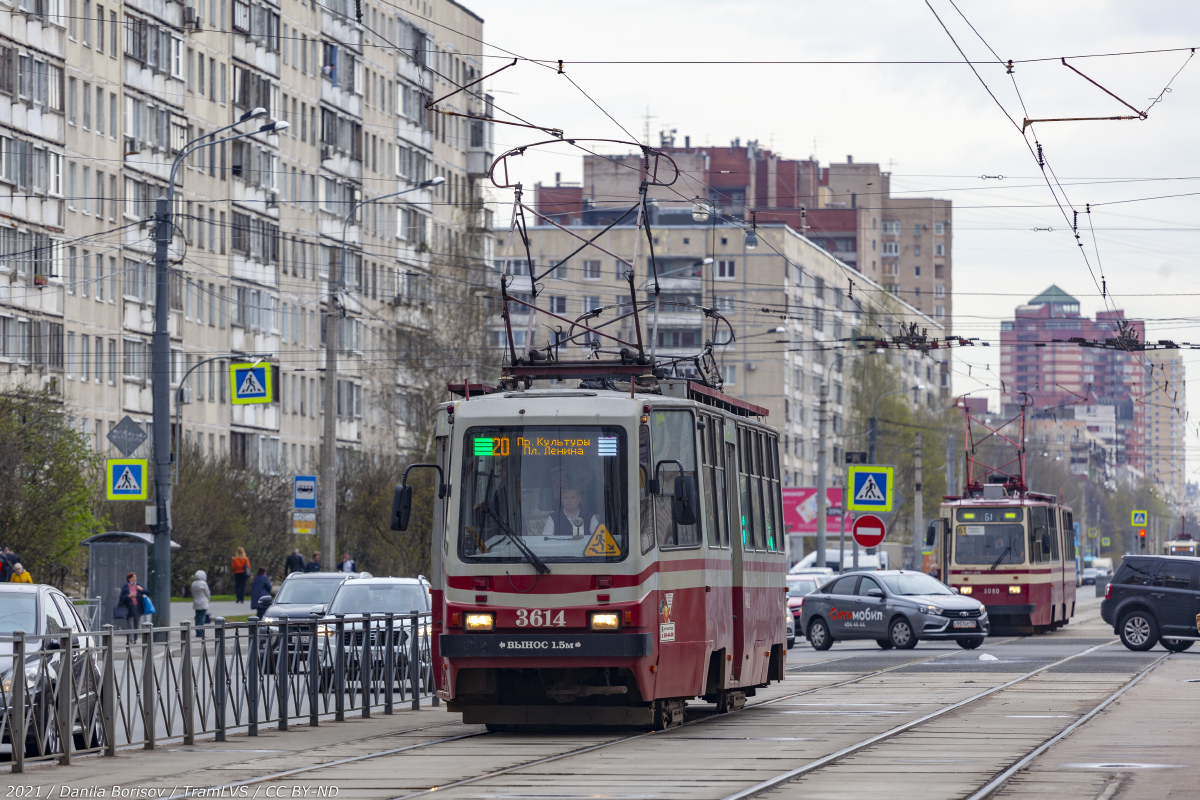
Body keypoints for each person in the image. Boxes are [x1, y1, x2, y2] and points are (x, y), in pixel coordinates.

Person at [118, 573, 147, 642]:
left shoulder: (138, 586)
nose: (134, 579)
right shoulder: (125, 587)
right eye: (133, 578)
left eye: (135, 578)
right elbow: (121, 597)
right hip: (129, 608)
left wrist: (142, 589)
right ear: (129, 579)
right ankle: (131, 639)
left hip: (137, 607)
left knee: (136, 624)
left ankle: (135, 638)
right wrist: (128, 596)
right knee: (130, 624)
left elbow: (147, 592)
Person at [191, 570, 210, 637]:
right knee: (202, 618)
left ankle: (197, 632)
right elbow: (207, 593)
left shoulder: (193, 583)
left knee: (197, 617)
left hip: (196, 602)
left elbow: (193, 593)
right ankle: (201, 632)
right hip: (203, 602)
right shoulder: (203, 584)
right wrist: (208, 599)